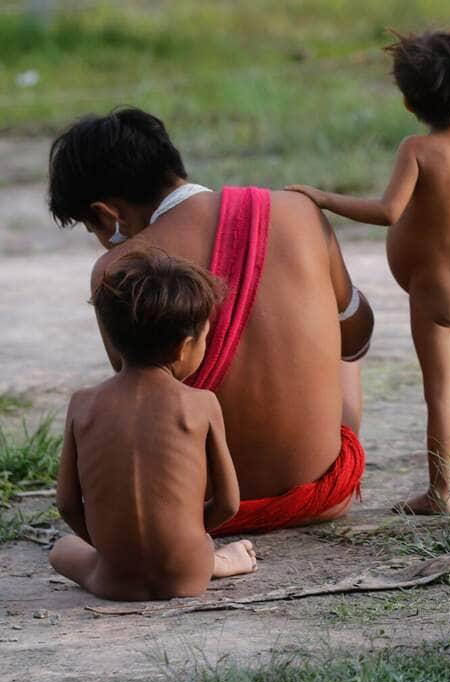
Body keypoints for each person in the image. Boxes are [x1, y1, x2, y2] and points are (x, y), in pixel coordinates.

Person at [48, 107, 374, 534]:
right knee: (342, 332)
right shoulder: (300, 211)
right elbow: (357, 340)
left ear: (107, 214)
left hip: (203, 508)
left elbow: (148, 399)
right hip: (323, 492)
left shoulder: (117, 269)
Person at [287, 30, 450, 514]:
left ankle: (439, 493)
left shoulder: (418, 149)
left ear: (412, 104)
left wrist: (324, 197)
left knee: (440, 395)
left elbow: (389, 211)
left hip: (434, 299)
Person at [49, 249, 257, 600]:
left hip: (115, 582)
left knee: (60, 549)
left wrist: (115, 547)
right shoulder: (201, 403)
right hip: (188, 575)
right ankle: (215, 561)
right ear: (184, 347)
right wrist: (184, 536)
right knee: (195, 540)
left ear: (114, 339)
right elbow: (228, 503)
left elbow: (68, 504)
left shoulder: (82, 404)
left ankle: (150, 557)